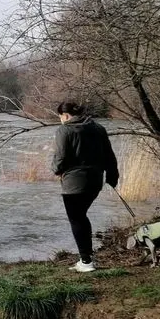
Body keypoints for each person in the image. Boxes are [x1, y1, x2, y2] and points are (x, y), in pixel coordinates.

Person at [51, 101, 119, 272]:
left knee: (77, 218)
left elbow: (60, 158)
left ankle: (86, 262)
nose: (60, 120)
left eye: (60, 117)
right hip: (96, 181)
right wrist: (112, 176)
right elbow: (109, 155)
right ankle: (86, 258)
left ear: (65, 116)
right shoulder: (98, 128)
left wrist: (55, 170)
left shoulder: (64, 130)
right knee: (81, 216)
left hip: (74, 183)